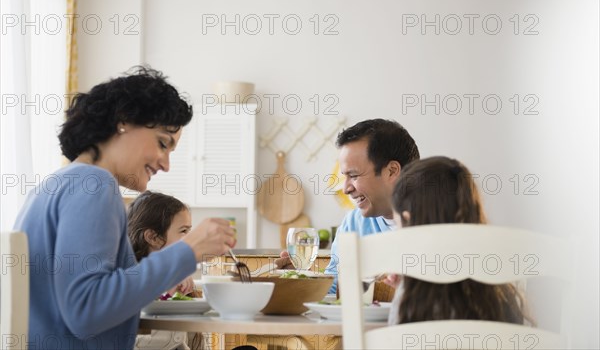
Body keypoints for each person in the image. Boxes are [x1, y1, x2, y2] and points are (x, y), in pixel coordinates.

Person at [14, 66, 236, 350]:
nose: (166, 164)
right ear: (124, 122)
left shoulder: (54, 185)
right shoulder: (94, 185)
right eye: (162, 143)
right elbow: (87, 311)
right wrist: (187, 251)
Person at [276, 119, 420, 294]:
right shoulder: (354, 222)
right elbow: (334, 291)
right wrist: (302, 279)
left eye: (354, 175)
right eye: (345, 177)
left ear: (391, 171)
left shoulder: (440, 217)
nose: (345, 189)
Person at [389, 156, 530, 324]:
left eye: (398, 226)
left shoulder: (411, 302)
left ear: (409, 220)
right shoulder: (501, 293)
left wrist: (405, 287)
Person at [127, 191, 195, 350]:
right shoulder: (130, 281)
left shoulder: (179, 278)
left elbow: (186, 342)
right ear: (153, 237)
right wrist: (168, 291)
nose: (191, 240)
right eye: (183, 231)